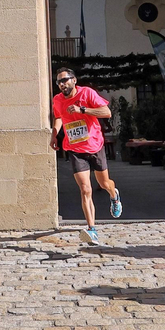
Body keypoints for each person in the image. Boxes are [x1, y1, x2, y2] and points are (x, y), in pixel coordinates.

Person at [50, 68, 122, 245]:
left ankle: (114, 195)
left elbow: (106, 112)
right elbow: (58, 116)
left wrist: (82, 110)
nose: (62, 84)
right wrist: (54, 134)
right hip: (74, 149)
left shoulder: (87, 93)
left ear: (74, 80)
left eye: (65, 80)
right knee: (85, 189)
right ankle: (92, 230)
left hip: (94, 146)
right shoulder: (57, 100)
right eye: (59, 81)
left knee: (104, 183)